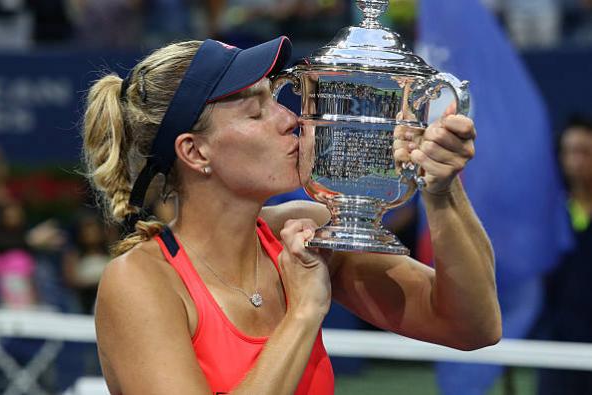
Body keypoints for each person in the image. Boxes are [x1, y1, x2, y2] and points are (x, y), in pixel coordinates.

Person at [83, 36, 501, 394]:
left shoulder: (307, 227)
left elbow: (472, 326)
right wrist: (303, 314)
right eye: (256, 112)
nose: (291, 119)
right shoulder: (139, 282)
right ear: (195, 152)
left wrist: (441, 188)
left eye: (276, 100)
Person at [536, 116, 592, 395]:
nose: (576, 161)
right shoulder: (549, 212)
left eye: (584, 151)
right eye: (569, 151)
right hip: (557, 341)